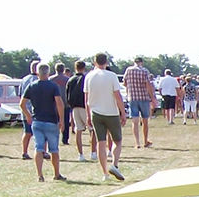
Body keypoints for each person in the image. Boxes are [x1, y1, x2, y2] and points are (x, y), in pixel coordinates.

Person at [19, 62, 66, 182]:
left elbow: (22, 104)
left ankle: (40, 175)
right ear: (48, 72)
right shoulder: (53, 86)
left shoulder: (32, 86)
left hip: (37, 120)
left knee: (38, 148)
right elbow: (59, 103)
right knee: (54, 149)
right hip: (51, 120)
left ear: (37, 72)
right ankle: (56, 174)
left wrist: (28, 116)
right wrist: (62, 120)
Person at [84, 52, 127, 181]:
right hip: (111, 112)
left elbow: (86, 99)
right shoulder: (111, 76)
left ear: (94, 62)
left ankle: (105, 173)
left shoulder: (89, 77)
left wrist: (88, 115)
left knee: (100, 143)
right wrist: (123, 113)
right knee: (117, 141)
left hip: (96, 112)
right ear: (106, 62)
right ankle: (114, 164)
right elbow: (117, 96)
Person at [123, 56, 155, 147]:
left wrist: (131, 88)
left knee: (134, 120)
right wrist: (152, 98)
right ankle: (145, 140)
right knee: (145, 120)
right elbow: (148, 85)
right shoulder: (144, 71)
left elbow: (124, 83)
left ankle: (137, 143)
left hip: (132, 97)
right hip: (143, 97)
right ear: (142, 62)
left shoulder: (128, 70)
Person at [66, 60, 93, 161]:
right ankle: (93, 152)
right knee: (92, 129)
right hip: (84, 106)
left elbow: (67, 94)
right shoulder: (85, 79)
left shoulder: (70, 79)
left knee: (78, 130)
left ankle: (80, 154)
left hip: (74, 107)